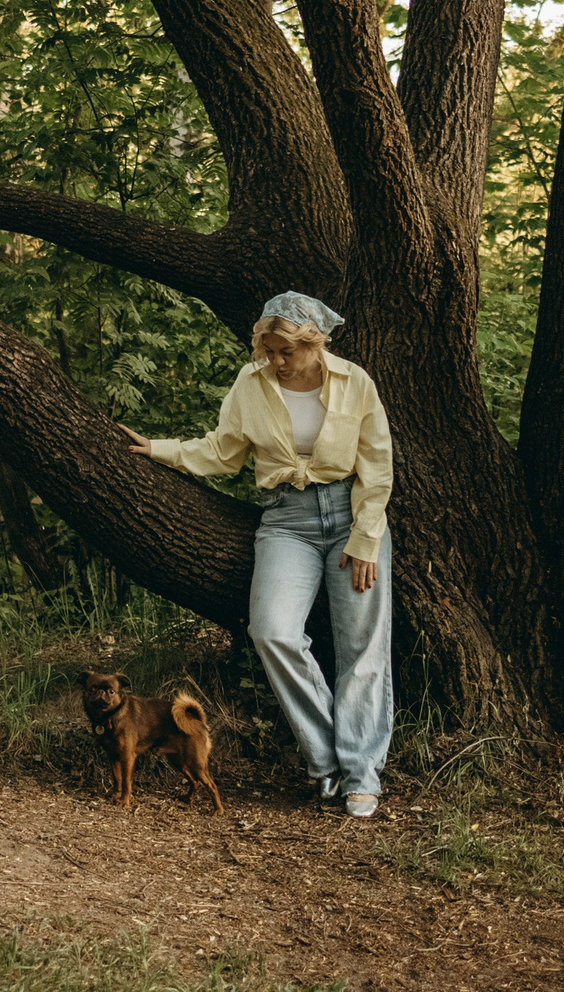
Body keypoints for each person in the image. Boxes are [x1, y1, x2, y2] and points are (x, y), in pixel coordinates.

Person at [122, 291, 394, 816]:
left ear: (314, 344)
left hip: (352, 518)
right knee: (272, 631)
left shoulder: (355, 382)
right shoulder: (252, 384)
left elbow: (377, 467)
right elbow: (222, 451)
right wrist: (160, 449)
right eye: (268, 351)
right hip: (285, 521)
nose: (275, 362)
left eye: (285, 352)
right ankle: (328, 761)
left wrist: (366, 539)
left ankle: (361, 773)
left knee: (362, 647)